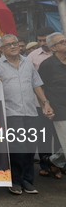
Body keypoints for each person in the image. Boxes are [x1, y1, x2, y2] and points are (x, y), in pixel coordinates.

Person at [0, 34, 53, 195]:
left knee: (30, 147)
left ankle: (28, 180)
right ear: (1, 49)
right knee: (17, 147)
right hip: (10, 112)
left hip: (31, 111)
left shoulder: (28, 62)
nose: (13, 47)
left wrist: (45, 103)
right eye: (8, 45)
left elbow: (37, 84)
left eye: (15, 43)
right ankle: (15, 180)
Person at [28, 26, 59, 178]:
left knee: (60, 136)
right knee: (44, 136)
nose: (41, 43)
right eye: (39, 40)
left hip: (60, 102)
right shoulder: (32, 57)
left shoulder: (62, 53)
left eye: (44, 40)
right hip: (39, 104)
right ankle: (45, 165)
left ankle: (59, 165)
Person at [38, 32, 66, 179]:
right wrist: (45, 105)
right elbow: (39, 86)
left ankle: (54, 160)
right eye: (63, 42)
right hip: (60, 109)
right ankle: (55, 161)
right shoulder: (47, 65)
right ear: (54, 48)